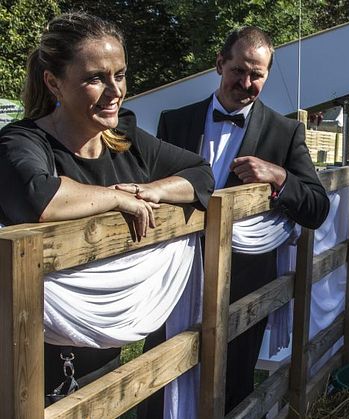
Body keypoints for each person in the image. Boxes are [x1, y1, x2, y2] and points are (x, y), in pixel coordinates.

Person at [0, 12, 215, 398]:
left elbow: (200, 172)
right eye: (95, 78)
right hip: (31, 358)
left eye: (119, 74)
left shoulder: (127, 137)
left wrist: (156, 191)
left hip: (105, 352)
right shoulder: (21, 141)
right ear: (54, 83)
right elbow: (39, 197)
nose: (114, 90)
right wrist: (118, 197)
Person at [153, 26, 329, 414]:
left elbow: (317, 207)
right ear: (220, 64)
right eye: (239, 71)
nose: (247, 83)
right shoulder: (175, 122)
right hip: (173, 279)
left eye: (258, 75)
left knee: (231, 387)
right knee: (160, 379)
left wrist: (279, 176)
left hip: (244, 283)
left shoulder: (285, 133)